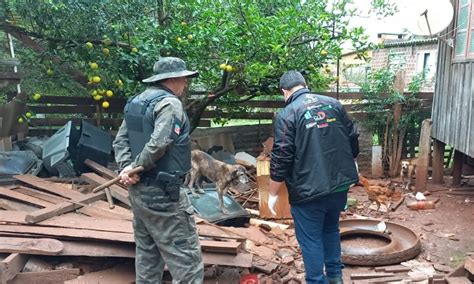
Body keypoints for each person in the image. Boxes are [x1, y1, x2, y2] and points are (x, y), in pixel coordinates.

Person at [113, 57, 203, 284]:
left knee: (147, 257)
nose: (185, 83)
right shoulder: (170, 104)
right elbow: (160, 142)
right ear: (173, 78)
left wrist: (127, 167)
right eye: (184, 78)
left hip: (140, 192)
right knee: (187, 263)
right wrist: (133, 167)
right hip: (165, 193)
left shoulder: (137, 102)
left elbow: (120, 140)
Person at [268, 70, 359, 284]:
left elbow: (281, 156)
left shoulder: (287, 114)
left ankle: (317, 281)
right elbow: (353, 136)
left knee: (310, 239)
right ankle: (336, 277)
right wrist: (351, 161)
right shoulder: (333, 104)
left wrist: (272, 193)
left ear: (284, 92)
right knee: (330, 229)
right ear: (305, 84)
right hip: (338, 186)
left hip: (308, 191)